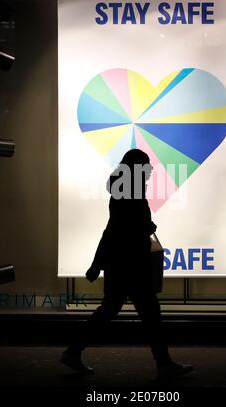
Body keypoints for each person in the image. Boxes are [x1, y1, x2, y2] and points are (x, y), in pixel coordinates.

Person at [60, 149, 193, 379]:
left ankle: (73, 352)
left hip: (119, 264)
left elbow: (111, 230)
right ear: (137, 169)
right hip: (132, 264)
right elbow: (120, 230)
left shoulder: (123, 191)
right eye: (147, 166)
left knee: (110, 310)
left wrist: (97, 263)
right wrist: (146, 228)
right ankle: (164, 364)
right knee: (150, 313)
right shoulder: (130, 195)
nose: (150, 171)